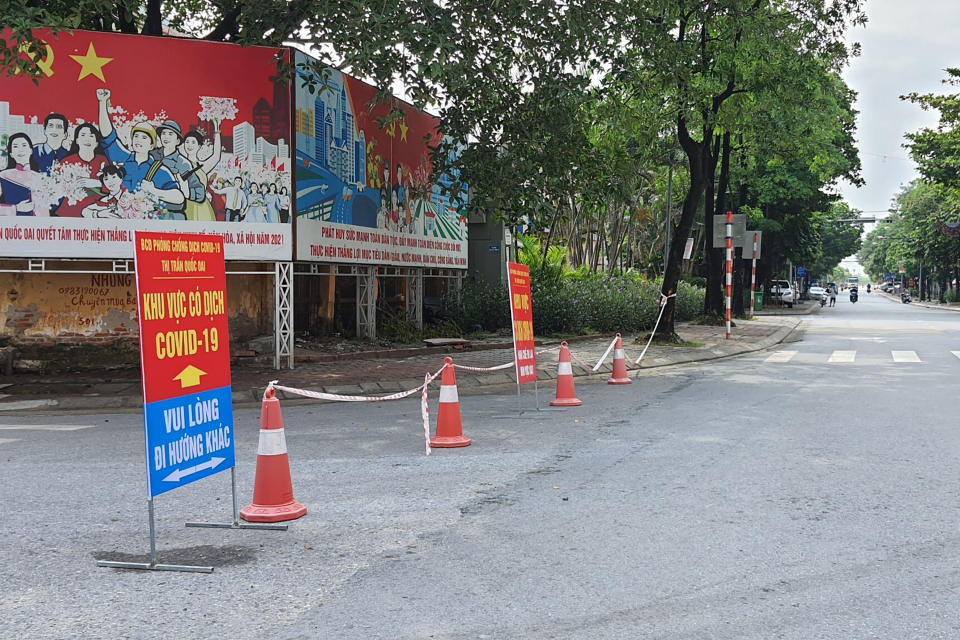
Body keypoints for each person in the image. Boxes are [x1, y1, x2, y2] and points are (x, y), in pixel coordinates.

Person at [55, 123, 110, 217]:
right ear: (76, 140)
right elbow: (56, 187)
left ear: (96, 143)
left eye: (91, 136)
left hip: (97, 212)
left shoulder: (103, 161)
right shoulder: (66, 162)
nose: (87, 139)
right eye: (83, 135)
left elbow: (113, 186)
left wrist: (97, 183)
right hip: (70, 212)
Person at [0, 132, 52, 216]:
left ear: (31, 150)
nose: (20, 149)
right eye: (15, 146)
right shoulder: (4, 176)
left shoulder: (41, 178)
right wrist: (15, 208)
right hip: (12, 226)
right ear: (11, 154)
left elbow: (45, 212)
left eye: (24, 145)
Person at [179, 128, 221, 222]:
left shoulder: (202, 166)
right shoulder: (180, 164)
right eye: (187, 142)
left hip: (201, 207)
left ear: (199, 146)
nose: (189, 145)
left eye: (193, 142)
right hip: (184, 204)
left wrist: (217, 132)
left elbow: (216, 156)